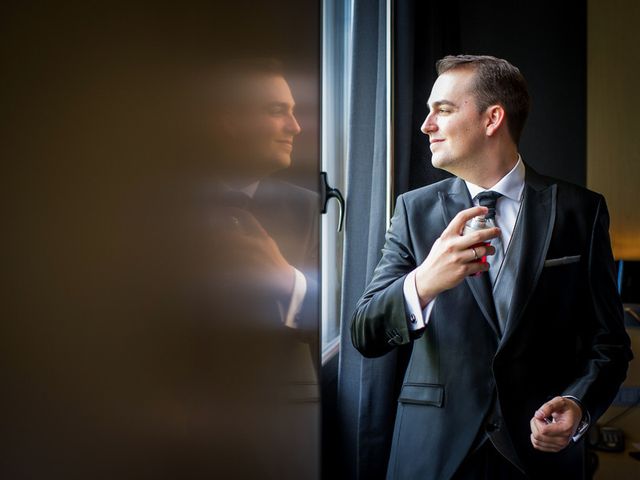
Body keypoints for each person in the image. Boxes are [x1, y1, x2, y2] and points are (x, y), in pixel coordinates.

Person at [350, 55, 632, 479]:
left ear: (492, 118)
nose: (427, 125)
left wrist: (578, 404)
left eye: (442, 110)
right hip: (432, 452)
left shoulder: (581, 210)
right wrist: (425, 282)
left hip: (539, 456)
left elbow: (609, 344)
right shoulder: (414, 211)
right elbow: (364, 332)